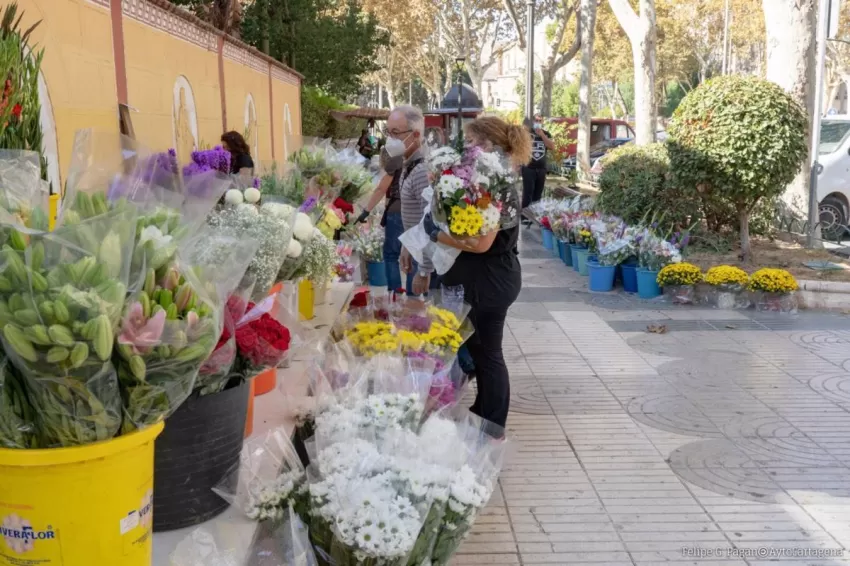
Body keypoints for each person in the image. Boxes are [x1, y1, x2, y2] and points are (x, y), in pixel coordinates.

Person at [421, 116, 530, 428]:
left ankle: (493, 426)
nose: (465, 148)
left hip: (489, 281)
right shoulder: (494, 178)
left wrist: (435, 234)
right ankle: (484, 411)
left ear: (487, 143)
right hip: (491, 278)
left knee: (489, 355)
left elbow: (481, 244)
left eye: (470, 142)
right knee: (483, 353)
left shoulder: (495, 183)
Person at [521, 116, 555, 219]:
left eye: (540, 121)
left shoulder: (546, 134)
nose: (538, 122)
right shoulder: (527, 133)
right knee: (528, 193)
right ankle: (525, 217)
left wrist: (542, 135)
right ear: (533, 121)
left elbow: (552, 147)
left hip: (541, 169)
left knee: (538, 194)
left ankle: (535, 216)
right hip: (528, 168)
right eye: (536, 120)